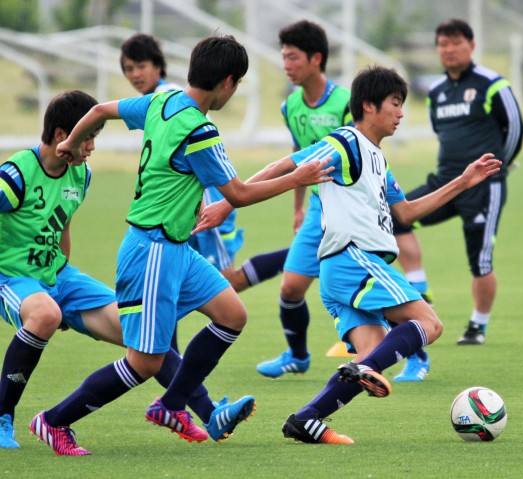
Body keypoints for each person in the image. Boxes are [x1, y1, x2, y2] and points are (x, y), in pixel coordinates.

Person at [29, 35, 332, 456]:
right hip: (152, 250)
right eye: (238, 82)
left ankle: (172, 403)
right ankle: (54, 420)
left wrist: (67, 143)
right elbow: (238, 193)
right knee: (145, 362)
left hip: (175, 249)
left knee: (232, 314)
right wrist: (297, 178)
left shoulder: (161, 101)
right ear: (227, 82)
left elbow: (99, 110)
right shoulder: (200, 130)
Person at [240, 66, 501, 444]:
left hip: (341, 269)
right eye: (395, 104)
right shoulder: (345, 142)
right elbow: (285, 164)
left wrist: (462, 181)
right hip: (354, 259)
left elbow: (406, 212)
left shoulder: (376, 157)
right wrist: (231, 200)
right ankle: (365, 371)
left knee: (372, 354)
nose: (401, 113)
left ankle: (307, 419)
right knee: (430, 324)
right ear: (369, 105)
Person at [0, 91, 216, 451]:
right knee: (45, 314)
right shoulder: (16, 173)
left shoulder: (80, 175)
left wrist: (63, 276)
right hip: (12, 279)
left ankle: (207, 411)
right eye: (88, 137)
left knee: (141, 330)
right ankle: (3, 416)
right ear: (60, 135)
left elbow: (63, 225)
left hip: (60, 279)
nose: (92, 146)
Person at [392, 18, 523, 355]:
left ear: (471, 46)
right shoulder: (436, 92)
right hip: (446, 181)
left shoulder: (492, 84)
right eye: (442, 44)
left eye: (455, 43)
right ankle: (421, 291)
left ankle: (477, 325)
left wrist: (498, 167)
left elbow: (516, 130)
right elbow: (442, 132)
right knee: (395, 218)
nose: (448, 50)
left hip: (484, 186)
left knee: (479, 258)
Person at [120, 33, 289, 297]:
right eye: (128, 68)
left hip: (208, 201)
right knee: (166, 285)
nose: (135, 74)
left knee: (227, 283)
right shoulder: (161, 100)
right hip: (181, 209)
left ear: (158, 66)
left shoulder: (166, 97)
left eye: (141, 66)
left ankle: (302, 256)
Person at [254, 20, 353, 379]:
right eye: (284, 58)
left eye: (293, 57)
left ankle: (414, 350)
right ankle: (297, 356)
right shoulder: (291, 106)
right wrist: (298, 207)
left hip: (352, 207)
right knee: (292, 286)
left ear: (316, 58)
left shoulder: (346, 102)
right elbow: (298, 155)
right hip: (317, 207)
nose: (287, 65)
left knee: (359, 288)